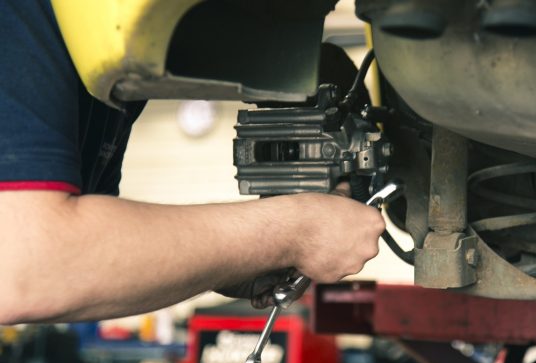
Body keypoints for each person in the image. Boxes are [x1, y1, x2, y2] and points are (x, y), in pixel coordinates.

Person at [0, 1, 385, 324]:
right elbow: (27, 268)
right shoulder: (21, 14)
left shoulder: (104, 51)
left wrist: (233, 259)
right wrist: (292, 231)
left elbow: (88, 269)